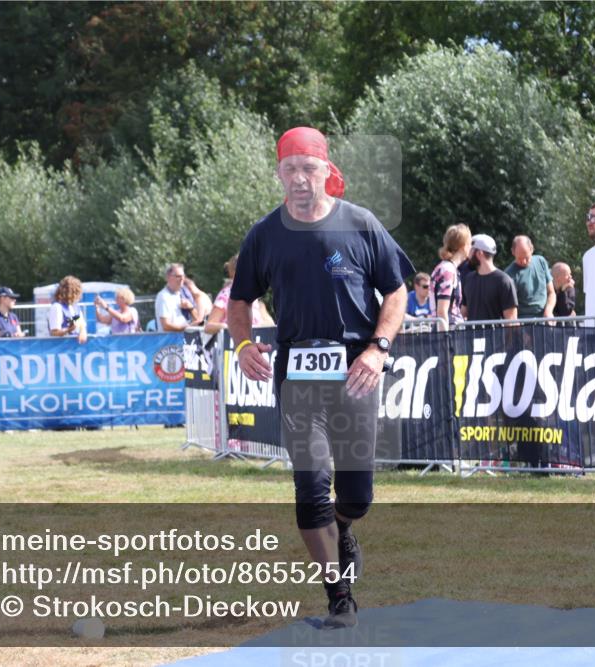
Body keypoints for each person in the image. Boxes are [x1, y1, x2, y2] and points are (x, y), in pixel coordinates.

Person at [228, 126, 414, 629]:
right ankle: (339, 596)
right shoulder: (264, 234)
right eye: (288, 169)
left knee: (357, 494)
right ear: (279, 175)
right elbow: (239, 300)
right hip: (296, 377)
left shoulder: (360, 223)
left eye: (307, 168)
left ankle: (344, 524)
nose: (298, 178)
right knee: (309, 486)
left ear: (327, 172)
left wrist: (378, 349)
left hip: (355, 371)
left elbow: (396, 292)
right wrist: (243, 344)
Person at [204, 254, 273, 335]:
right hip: (233, 346)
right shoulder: (225, 295)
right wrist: (230, 327)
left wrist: (262, 323)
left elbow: (270, 325)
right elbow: (209, 327)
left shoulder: (255, 296)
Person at [460, 234, 518, 321]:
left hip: (496, 335)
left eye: (471, 251)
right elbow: (463, 312)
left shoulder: (504, 281)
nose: (468, 256)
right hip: (471, 334)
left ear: (479, 254)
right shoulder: (468, 279)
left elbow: (511, 321)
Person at [430, 224, 471, 328]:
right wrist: (445, 340)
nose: (471, 247)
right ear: (463, 246)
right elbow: (442, 311)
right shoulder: (447, 271)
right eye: (469, 243)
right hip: (448, 334)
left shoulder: (448, 268)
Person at [504, 236, 555, 319]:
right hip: (523, 322)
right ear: (513, 252)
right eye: (520, 258)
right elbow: (510, 308)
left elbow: (551, 292)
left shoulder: (541, 261)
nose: (524, 261)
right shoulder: (508, 275)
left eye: (527, 257)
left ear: (532, 249)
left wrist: (548, 311)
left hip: (545, 319)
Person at [155, 264, 205, 332]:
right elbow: (166, 326)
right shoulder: (163, 296)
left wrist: (191, 308)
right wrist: (187, 328)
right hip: (171, 341)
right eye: (178, 276)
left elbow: (198, 320)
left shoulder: (183, 294)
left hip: (184, 339)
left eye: (183, 276)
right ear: (168, 277)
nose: (182, 279)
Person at [47, 276, 88, 344]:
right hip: (60, 348)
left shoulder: (76, 307)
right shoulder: (57, 307)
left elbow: (81, 324)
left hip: (75, 348)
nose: (78, 296)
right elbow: (54, 332)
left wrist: (82, 332)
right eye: (76, 292)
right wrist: (68, 330)